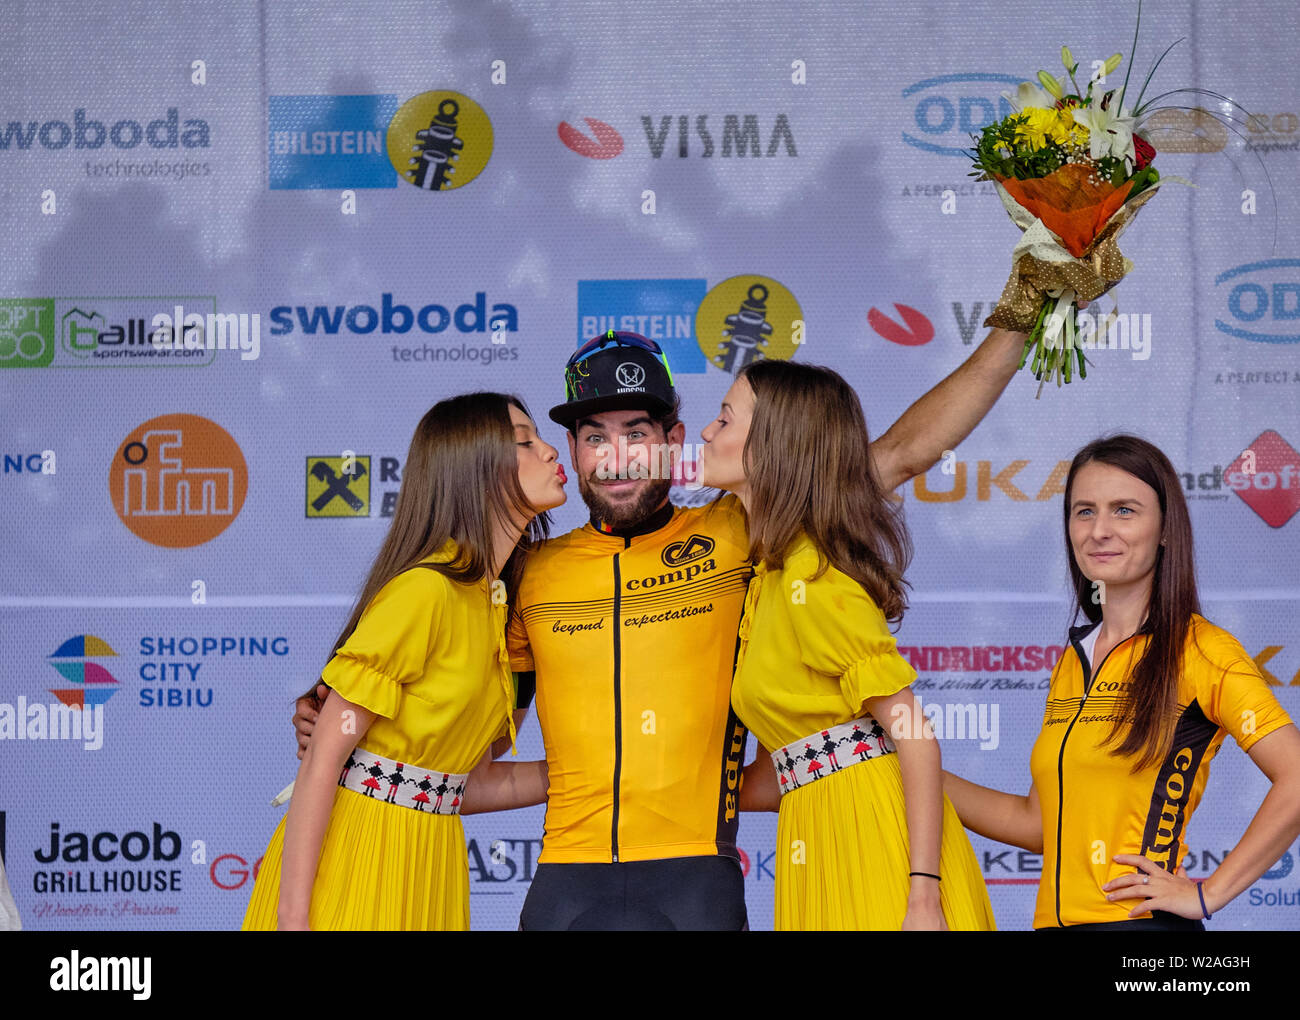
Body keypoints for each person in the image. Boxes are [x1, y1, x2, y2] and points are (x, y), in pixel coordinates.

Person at [296, 322, 1032, 930]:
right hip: (565, 882)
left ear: (674, 438)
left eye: (638, 432)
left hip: (696, 884)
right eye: (595, 435)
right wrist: (334, 714)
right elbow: (453, 716)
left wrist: (1020, 319)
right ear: (575, 450)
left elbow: (901, 453)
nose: (616, 456)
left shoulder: (746, 531)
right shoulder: (525, 574)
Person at [942, 434, 1300, 930]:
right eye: (1084, 511)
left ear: (1165, 530)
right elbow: (1039, 823)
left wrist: (1208, 893)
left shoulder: (1200, 650)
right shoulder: (1075, 659)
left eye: (1124, 510)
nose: (1099, 531)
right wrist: (912, 768)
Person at [242, 392, 564, 930]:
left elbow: (467, 783)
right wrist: (293, 919)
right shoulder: (426, 590)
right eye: (525, 442)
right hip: (358, 857)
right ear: (474, 471)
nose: (552, 451)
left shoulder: (493, 605)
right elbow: (325, 755)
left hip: (431, 862)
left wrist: (592, 772)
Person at [697, 358, 996, 930]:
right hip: (819, 834)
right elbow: (782, 771)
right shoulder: (773, 576)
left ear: (773, 447)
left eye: (725, 419)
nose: (708, 432)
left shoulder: (814, 575)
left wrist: (924, 896)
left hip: (876, 843)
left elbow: (914, 735)